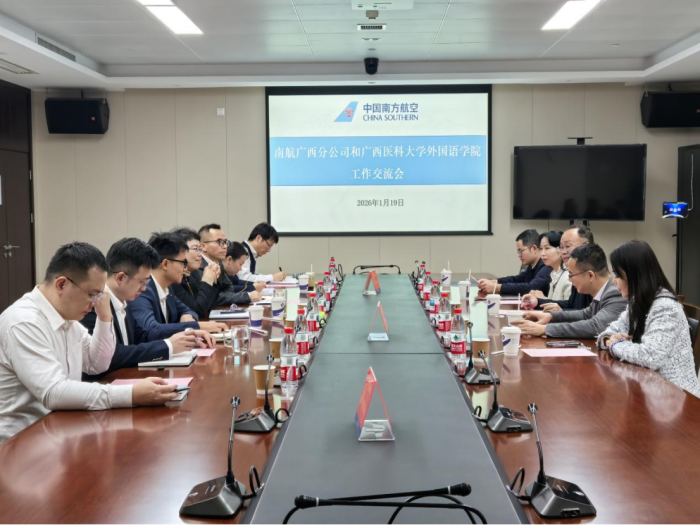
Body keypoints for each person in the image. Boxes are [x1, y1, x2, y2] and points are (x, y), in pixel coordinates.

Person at [0, 242, 178, 444]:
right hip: (19, 442)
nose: (95, 302)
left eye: (99, 295)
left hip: (57, 430)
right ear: (61, 284)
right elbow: (54, 392)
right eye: (92, 294)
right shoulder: (24, 322)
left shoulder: (67, 319)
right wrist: (131, 394)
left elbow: (97, 364)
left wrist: (105, 317)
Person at [81, 238, 203, 379]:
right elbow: (110, 355)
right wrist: (168, 345)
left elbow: (143, 336)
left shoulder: (124, 300)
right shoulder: (93, 305)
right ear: (120, 278)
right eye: (142, 282)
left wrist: (185, 337)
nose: (144, 288)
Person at [597, 241, 700, 398]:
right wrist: (607, 339)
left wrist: (615, 345)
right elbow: (610, 331)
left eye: (617, 275)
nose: (614, 281)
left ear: (634, 275)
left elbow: (651, 357)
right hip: (648, 388)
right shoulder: (638, 301)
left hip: (676, 397)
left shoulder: (665, 307)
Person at [512, 244, 627, 339]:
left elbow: (596, 326)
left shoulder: (615, 292)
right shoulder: (604, 290)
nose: (569, 280)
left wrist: (544, 329)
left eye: (571, 275)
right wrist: (550, 316)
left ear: (590, 275)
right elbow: (585, 314)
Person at [130, 233, 218, 343]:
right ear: (165, 264)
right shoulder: (143, 290)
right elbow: (150, 330)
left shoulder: (168, 288)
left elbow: (189, 310)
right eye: (183, 263)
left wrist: (187, 315)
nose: (185, 268)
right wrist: (196, 326)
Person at [521, 225, 595, 312]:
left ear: (586, 246)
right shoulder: (578, 272)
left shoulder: (589, 274)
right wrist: (537, 302)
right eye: (561, 247)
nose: (563, 252)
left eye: (567, 246)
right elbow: (570, 305)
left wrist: (561, 312)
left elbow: (587, 315)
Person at [195, 223, 263, 306]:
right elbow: (211, 298)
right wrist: (246, 296)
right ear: (203, 246)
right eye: (220, 242)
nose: (225, 246)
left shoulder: (219, 263)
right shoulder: (197, 266)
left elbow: (228, 289)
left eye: (225, 242)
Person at [478, 229, 552, 296]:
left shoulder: (546, 265)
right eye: (518, 252)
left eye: (521, 251)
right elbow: (517, 279)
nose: (519, 256)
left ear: (534, 248)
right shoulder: (532, 265)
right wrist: (494, 282)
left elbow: (530, 287)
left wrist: (497, 287)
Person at [170, 228, 222, 318]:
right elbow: (198, 311)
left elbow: (209, 306)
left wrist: (214, 278)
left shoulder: (192, 274)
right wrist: (207, 279)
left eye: (200, 249)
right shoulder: (173, 280)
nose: (200, 254)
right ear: (179, 251)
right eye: (195, 249)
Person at [528, 231, 572, 303]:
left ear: (560, 249)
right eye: (541, 249)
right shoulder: (554, 273)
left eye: (547, 248)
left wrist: (543, 299)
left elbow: (569, 308)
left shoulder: (569, 277)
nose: (542, 253)